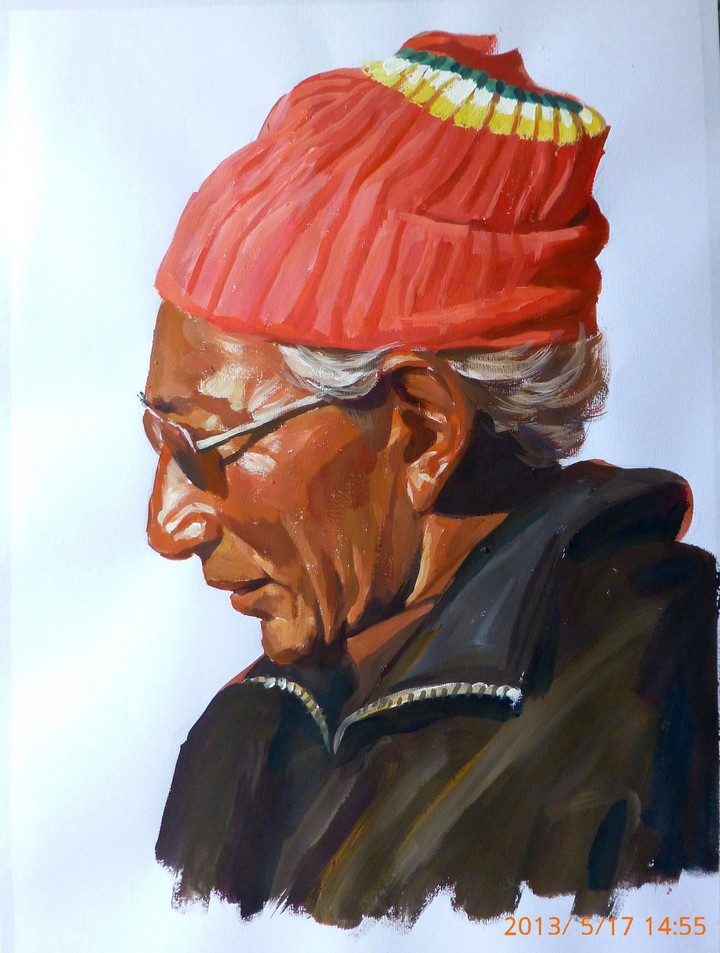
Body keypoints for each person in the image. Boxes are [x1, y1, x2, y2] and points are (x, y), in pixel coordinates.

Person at [142, 32, 718, 927]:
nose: (167, 523)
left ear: (420, 428)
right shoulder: (243, 737)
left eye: (205, 446)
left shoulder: (677, 692)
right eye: (158, 440)